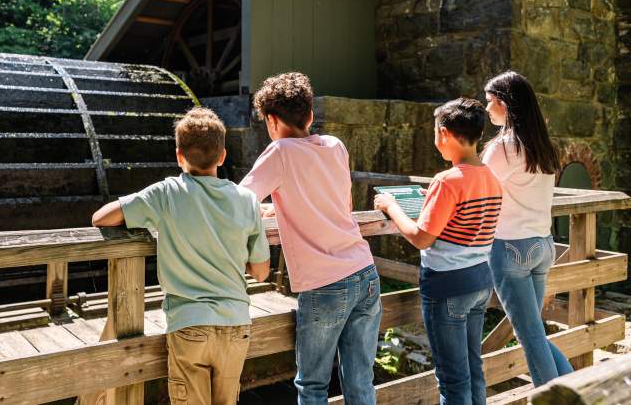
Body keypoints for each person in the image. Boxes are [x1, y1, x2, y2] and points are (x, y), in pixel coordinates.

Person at [92, 107, 271, 405]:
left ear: (179, 155)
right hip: (236, 325)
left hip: (188, 325)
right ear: (223, 156)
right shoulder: (247, 200)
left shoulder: (166, 193)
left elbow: (101, 217)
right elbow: (262, 272)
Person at [239, 72, 380, 405]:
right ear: (311, 116)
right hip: (364, 273)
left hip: (324, 284)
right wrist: (281, 208)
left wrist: (263, 211)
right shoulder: (335, 146)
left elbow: (236, 203)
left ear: (271, 121)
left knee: (313, 385)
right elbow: (336, 203)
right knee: (360, 380)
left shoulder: (280, 152)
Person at [375, 98, 501, 405]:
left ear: (444, 133)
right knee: (473, 369)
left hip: (447, 286)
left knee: (452, 380)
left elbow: (421, 238)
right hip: (480, 281)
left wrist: (392, 207)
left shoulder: (447, 181)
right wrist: (431, 198)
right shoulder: (490, 177)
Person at [481, 71, 573, 386]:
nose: (486, 108)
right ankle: (576, 390)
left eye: (490, 101)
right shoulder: (543, 146)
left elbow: (478, 191)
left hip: (510, 247)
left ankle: (557, 398)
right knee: (534, 332)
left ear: (505, 103)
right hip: (542, 245)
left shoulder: (502, 147)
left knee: (530, 336)